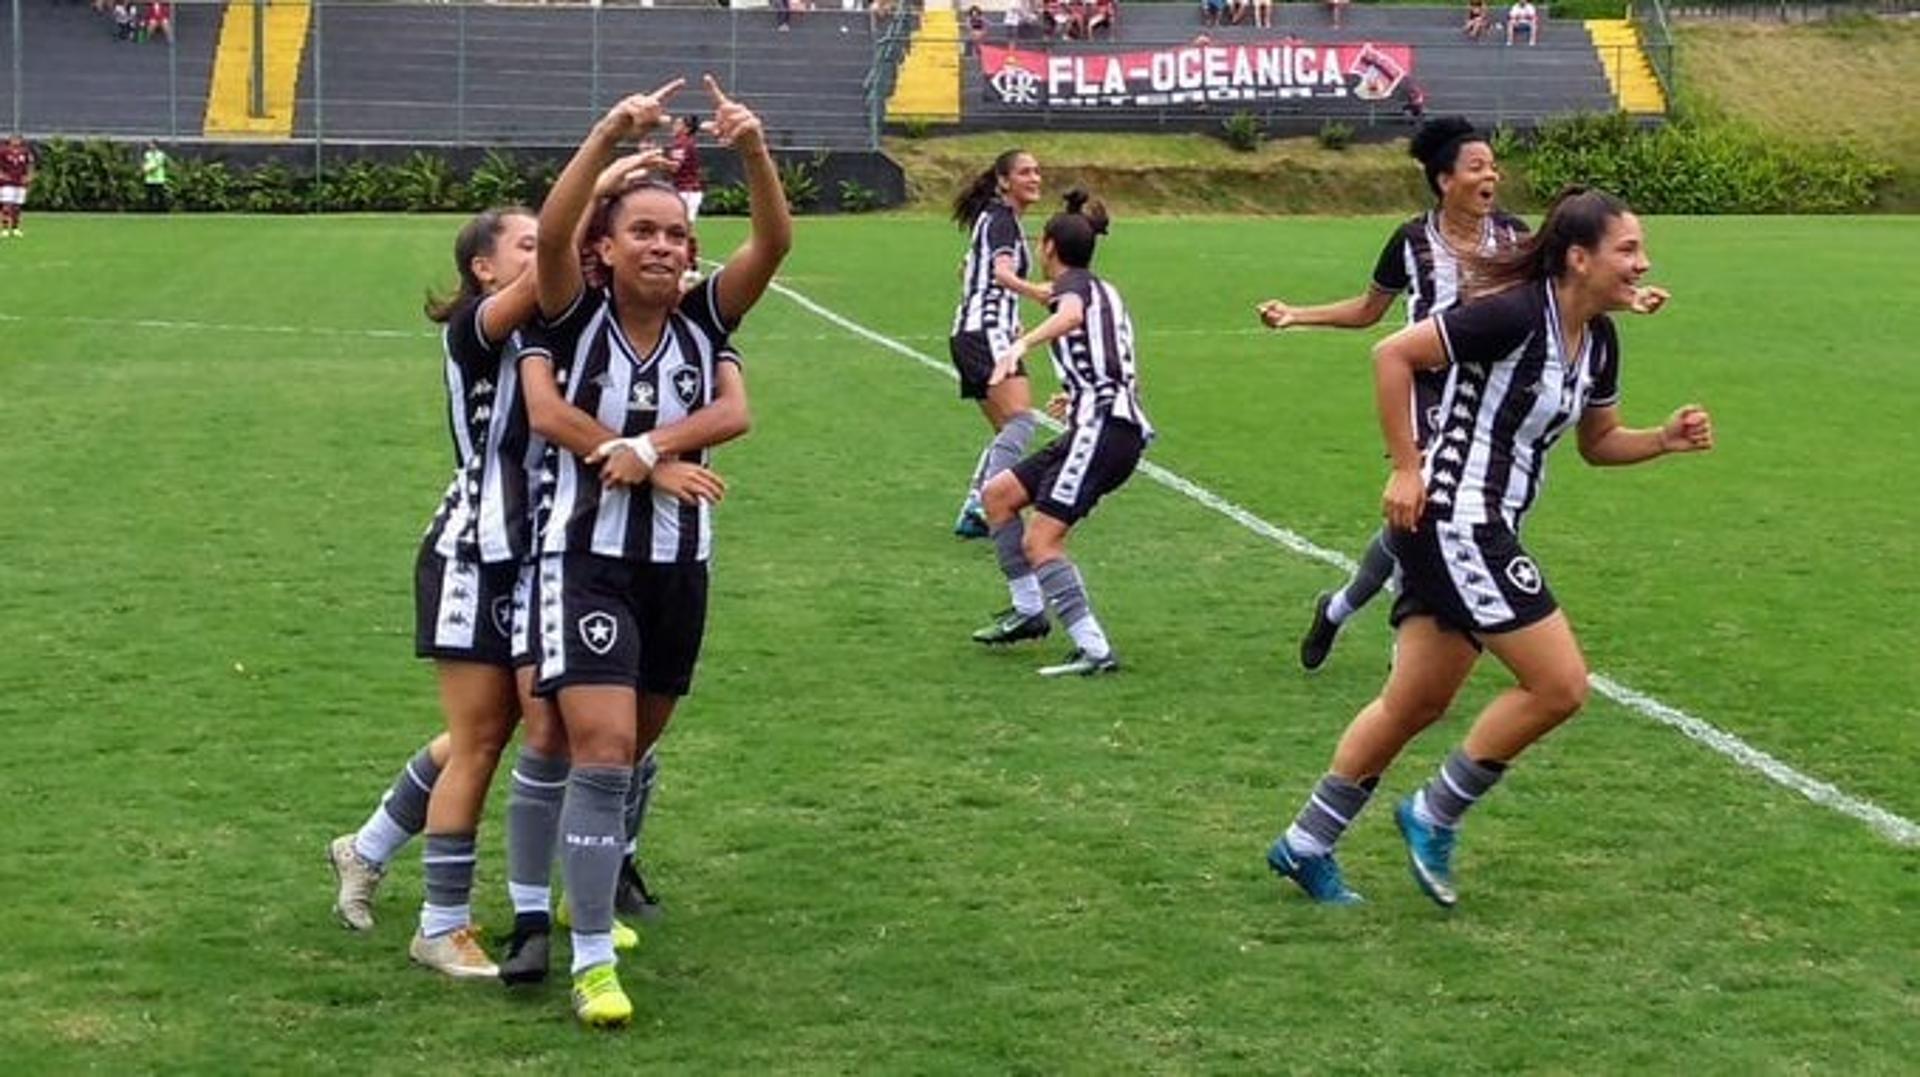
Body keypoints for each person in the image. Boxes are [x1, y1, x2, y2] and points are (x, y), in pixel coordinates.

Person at [1265, 186, 1713, 908]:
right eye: (1627, 248)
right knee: (1561, 684)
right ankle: (1433, 812)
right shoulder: (1511, 315)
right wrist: (1407, 467)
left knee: (1413, 702)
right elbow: (1391, 354)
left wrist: (1662, 440)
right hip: (1455, 519)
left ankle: (1305, 842)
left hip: (1477, 525)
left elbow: (1599, 444)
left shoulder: (1598, 338)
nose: (1642, 263)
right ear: (1578, 256)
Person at [527, 74, 788, 1029]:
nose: (665, 247)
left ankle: (580, 886)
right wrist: (606, 133)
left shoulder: (705, 323)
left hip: (681, 565)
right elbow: (550, 236)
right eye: (643, 231)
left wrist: (752, 150)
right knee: (601, 750)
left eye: (677, 234)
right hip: (585, 560)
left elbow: (773, 244)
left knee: (636, 748)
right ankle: (592, 959)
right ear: (606, 246)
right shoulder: (570, 313)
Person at [1260, 118, 1528, 671]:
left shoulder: (1515, 237)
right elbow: (1368, 312)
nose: (1491, 176)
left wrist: (1623, 296)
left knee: (1411, 522)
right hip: (1422, 385)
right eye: (1477, 167)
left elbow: (1561, 293)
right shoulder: (1410, 240)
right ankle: (1410, 653)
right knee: (1422, 506)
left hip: (1485, 393)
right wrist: (1296, 315)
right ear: (1443, 180)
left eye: (1493, 166)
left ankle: (1336, 608)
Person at [971, 189, 1151, 677]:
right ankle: (1030, 612)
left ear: (1047, 246)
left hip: (1104, 430)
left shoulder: (1074, 291)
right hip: (1099, 423)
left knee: (1042, 541)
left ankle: (1094, 649)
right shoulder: (1101, 288)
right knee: (999, 496)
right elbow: (1094, 339)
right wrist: (1076, 394)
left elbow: (1066, 312)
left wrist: (1018, 345)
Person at [948, 150, 1049, 541]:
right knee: (1021, 421)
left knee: (1008, 430)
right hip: (985, 335)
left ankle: (975, 508)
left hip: (976, 332)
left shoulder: (994, 219)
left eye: (1038, 172)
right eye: (1025, 172)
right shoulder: (1002, 220)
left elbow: (969, 270)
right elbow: (1000, 272)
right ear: (1004, 181)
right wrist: (1035, 292)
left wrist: (1007, 312)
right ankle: (982, 503)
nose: (1035, 178)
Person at [669, 115, 704, 225]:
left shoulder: (682, 143)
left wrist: (656, 162)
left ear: (686, 129)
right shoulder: (685, 142)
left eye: (677, 124)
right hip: (684, 189)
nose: (673, 127)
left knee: (683, 225)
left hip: (686, 189)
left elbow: (675, 167)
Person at [0, 135, 35, 237]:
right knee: (6, 205)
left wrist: (30, 176)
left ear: (21, 141)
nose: (16, 141)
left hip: (20, 183)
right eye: (14, 139)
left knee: (17, 207)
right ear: (10, 140)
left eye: (18, 139)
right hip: (7, 182)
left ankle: (15, 228)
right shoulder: (3, 151)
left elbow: (31, 164)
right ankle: (5, 229)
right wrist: (1, 174)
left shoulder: (26, 152)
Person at [141, 141, 169, 212]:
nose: (151, 146)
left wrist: (148, 168)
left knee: (160, 196)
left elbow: (157, 164)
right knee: (149, 196)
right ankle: (150, 211)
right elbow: (145, 162)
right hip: (149, 179)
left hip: (159, 179)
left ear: (156, 146)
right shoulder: (147, 154)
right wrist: (144, 168)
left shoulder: (161, 154)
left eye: (152, 145)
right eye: (150, 145)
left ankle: (162, 211)